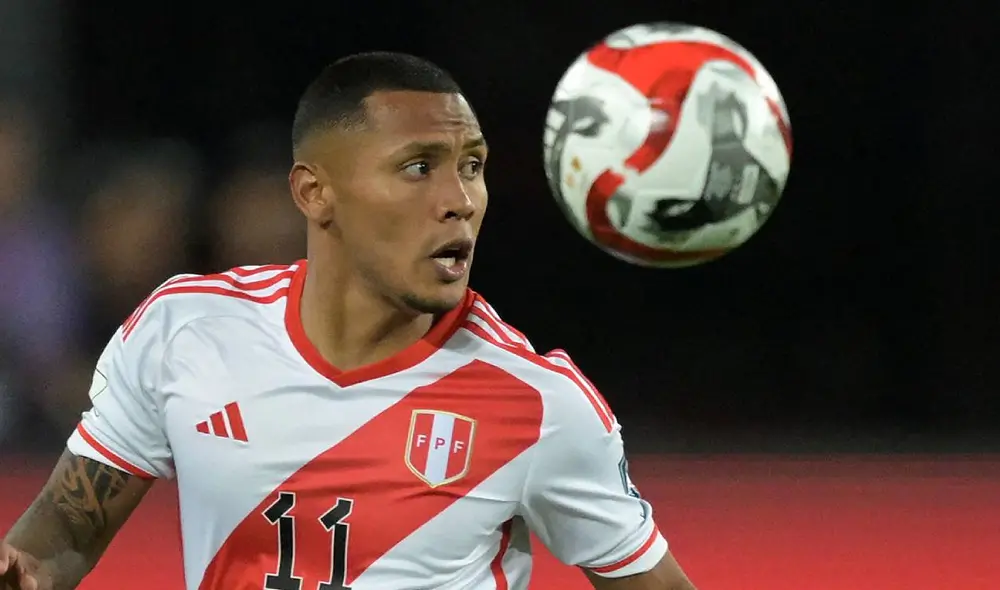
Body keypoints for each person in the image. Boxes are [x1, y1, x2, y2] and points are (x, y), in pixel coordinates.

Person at [0, 52, 697, 590]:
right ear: (315, 192)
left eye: (473, 166)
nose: (461, 200)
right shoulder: (185, 333)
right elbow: (62, 532)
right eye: (419, 167)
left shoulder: (538, 404)